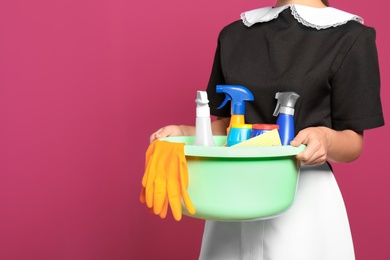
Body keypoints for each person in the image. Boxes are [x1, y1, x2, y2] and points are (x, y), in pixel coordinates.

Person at [149, 0, 384, 259]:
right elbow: (230, 125)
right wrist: (185, 132)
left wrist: (325, 139)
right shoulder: (234, 34)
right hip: (231, 194)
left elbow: (353, 143)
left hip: (304, 201)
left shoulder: (350, 36)